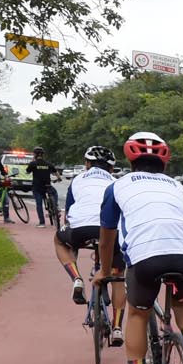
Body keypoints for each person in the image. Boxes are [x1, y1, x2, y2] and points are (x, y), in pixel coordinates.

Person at [95, 131, 183, 364]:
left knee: (137, 313)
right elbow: (180, 223)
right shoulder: (179, 188)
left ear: (129, 160)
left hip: (146, 256)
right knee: (182, 302)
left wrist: (105, 272)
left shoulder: (117, 187)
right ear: (165, 164)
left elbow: (107, 238)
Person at [56, 145, 125, 344]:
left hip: (81, 229)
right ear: (111, 169)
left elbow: (69, 212)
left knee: (59, 241)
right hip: (112, 232)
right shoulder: (116, 182)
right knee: (118, 275)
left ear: (87, 164)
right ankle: (118, 327)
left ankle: (77, 278)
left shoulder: (78, 179)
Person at [25, 147, 60, 226]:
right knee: (54, 193)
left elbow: (27, 172)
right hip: (47, 186)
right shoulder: (48, 163)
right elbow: (55, 172)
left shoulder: (33, 164)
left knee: (39, 204)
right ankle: (55, 207)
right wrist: (59, 178)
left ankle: (42, 222)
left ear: (35, 154)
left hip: (37, 187)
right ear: (43, 155)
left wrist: (32, 162)